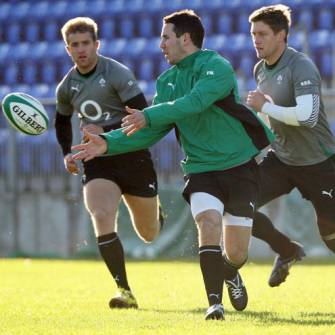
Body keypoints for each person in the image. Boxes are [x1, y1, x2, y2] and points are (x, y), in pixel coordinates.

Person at [72, 10, 275, 320]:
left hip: (239, 167)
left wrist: (150, 114)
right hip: (200, 168)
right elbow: (151, 131)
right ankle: (214, 305)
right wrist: (108, 144)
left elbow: (195, 102)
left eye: (165, 37)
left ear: (185, 38)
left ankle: (230, 270)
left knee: (236, 252)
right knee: (207, 224)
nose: (160, 44)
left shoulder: (216, 67)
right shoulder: (166, 81)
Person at [54, 17, 165, 310]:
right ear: (67, 49)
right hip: (98, 160)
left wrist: (108, 130)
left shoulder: (115, 72)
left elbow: (143, 114)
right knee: (101, 213)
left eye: (86, 43)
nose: (81, 50)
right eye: (74, 45)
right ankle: (124, 291)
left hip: (133, 156)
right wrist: (67, 151)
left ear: (96, 44)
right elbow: (62, 119)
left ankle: (156, 211)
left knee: (149, 234)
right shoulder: (67, 87)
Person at [247, 4, 335, 287]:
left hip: (319, 163)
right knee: (238, 206)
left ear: (281, 35)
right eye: (253, 34)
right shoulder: (260, 69)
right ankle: (286, 250)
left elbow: (308, 117)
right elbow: (269, 117)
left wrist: (265, 108)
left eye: (262, 33)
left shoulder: (301, 66)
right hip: (282, 160)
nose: (256, 40)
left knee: (331, 235)